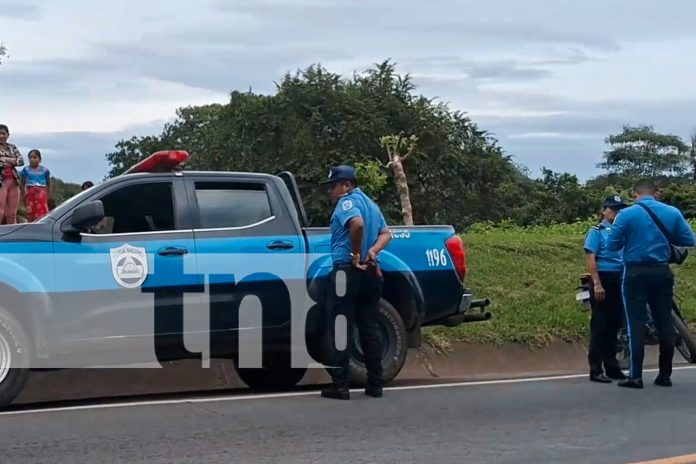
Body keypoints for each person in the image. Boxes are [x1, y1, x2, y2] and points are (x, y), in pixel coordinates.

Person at [607, 179, 696, 388]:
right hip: (662, 271)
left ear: (634, 194)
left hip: (635, 273)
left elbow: (612, 246)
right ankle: (664, 375)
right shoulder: (672, 212)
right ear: (657, 193)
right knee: (664, 321)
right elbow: (688, 240)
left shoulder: (626, 215)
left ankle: (635, 376)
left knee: (635, 323)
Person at [320, 165, 392, 400]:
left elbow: (357, 224)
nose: (331, 190)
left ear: (347, 185)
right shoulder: (371, 204)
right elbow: (386, 234)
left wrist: (355, 253)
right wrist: (372, 251)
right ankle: (375, 384)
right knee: (369, 328)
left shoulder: (347, 203)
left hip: (347, 271)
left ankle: (340, 386)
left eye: (334, 185)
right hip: (370, 273)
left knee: (341, 328)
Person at [583, 195, 629, 383]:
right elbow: (591, 258)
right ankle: (595, 369)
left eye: (619, 209)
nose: (616, 213)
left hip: (620, 278)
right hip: (603, 278)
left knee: (614, 324)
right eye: (613, 209)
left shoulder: (622, 232)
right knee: (600, 325)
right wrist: (597, 283)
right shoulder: (597, 231)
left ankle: (612, 367)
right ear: (603, 210)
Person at [0, 124, 25, 224]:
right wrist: (12, 161)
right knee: (0, 212)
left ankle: (12, 236)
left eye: (3, 133)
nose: (1, 136)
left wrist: (5, 159)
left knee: (12, 213)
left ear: (8, 135)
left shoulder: (12, 147)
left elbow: (21, 161)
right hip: (2, 182)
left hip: (14, 182)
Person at [20, 149, 52, 221]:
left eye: (34, 157)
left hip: (41, 194)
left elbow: (49, 184)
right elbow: (22, 184)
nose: (32, 159)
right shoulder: (26, 170)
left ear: (39, 159)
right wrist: (23, 196)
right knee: (30, 211)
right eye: (30, 158)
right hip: (30, 193)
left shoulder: (45, 170)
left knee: (42, 212)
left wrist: (48, 196)